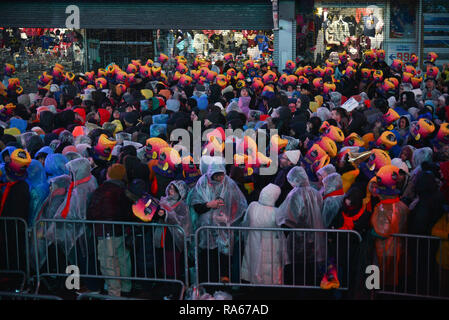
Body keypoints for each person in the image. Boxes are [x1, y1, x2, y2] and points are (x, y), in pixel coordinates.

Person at [189, 159, 247, 283]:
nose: (220, 177)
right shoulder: (202, 183)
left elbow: (239, 205)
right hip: (205, 230)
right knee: (207, 258)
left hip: (223, 228)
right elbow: (196, 205)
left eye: (222, 174)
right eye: (217, 175)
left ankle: (221, 285)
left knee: (223, 257)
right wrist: (209, 204)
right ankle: (207, 284)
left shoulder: (229, 184)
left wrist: (228, 218)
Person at [87, 163, 132, 297]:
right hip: (120, 231)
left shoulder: (103, 190)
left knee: (108, 262)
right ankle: (126, 288)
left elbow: (93, 212)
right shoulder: (124, 189)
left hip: (105, 231)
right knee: (123, 260)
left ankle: (114, 293)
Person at [276, 166, 325, 286]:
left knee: (298, 274)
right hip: (316, 238)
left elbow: (287, 217)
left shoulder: (294, 195)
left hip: (299, 239)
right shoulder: (316, 193)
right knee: (311, 273)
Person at [241, 183, 287, 285]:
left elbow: (245, 223)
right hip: (272, 245)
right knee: (270, 271)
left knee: (254, 265)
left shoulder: (253, 206)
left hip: (253, 242)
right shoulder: (277, 212)